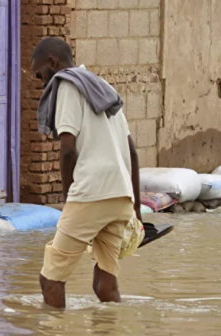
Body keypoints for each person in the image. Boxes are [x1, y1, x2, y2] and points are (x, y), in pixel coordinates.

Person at [31, 37, 141, 309]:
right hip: (121, 196)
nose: (43, 84)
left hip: (91, 192)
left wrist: (69, 197)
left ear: (53, 63)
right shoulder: (103, 86)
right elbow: (133, 154)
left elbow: (67, 149)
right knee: (105, 284)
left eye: (41, 75)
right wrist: (135, 209)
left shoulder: (67, 84)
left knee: (51, 279)